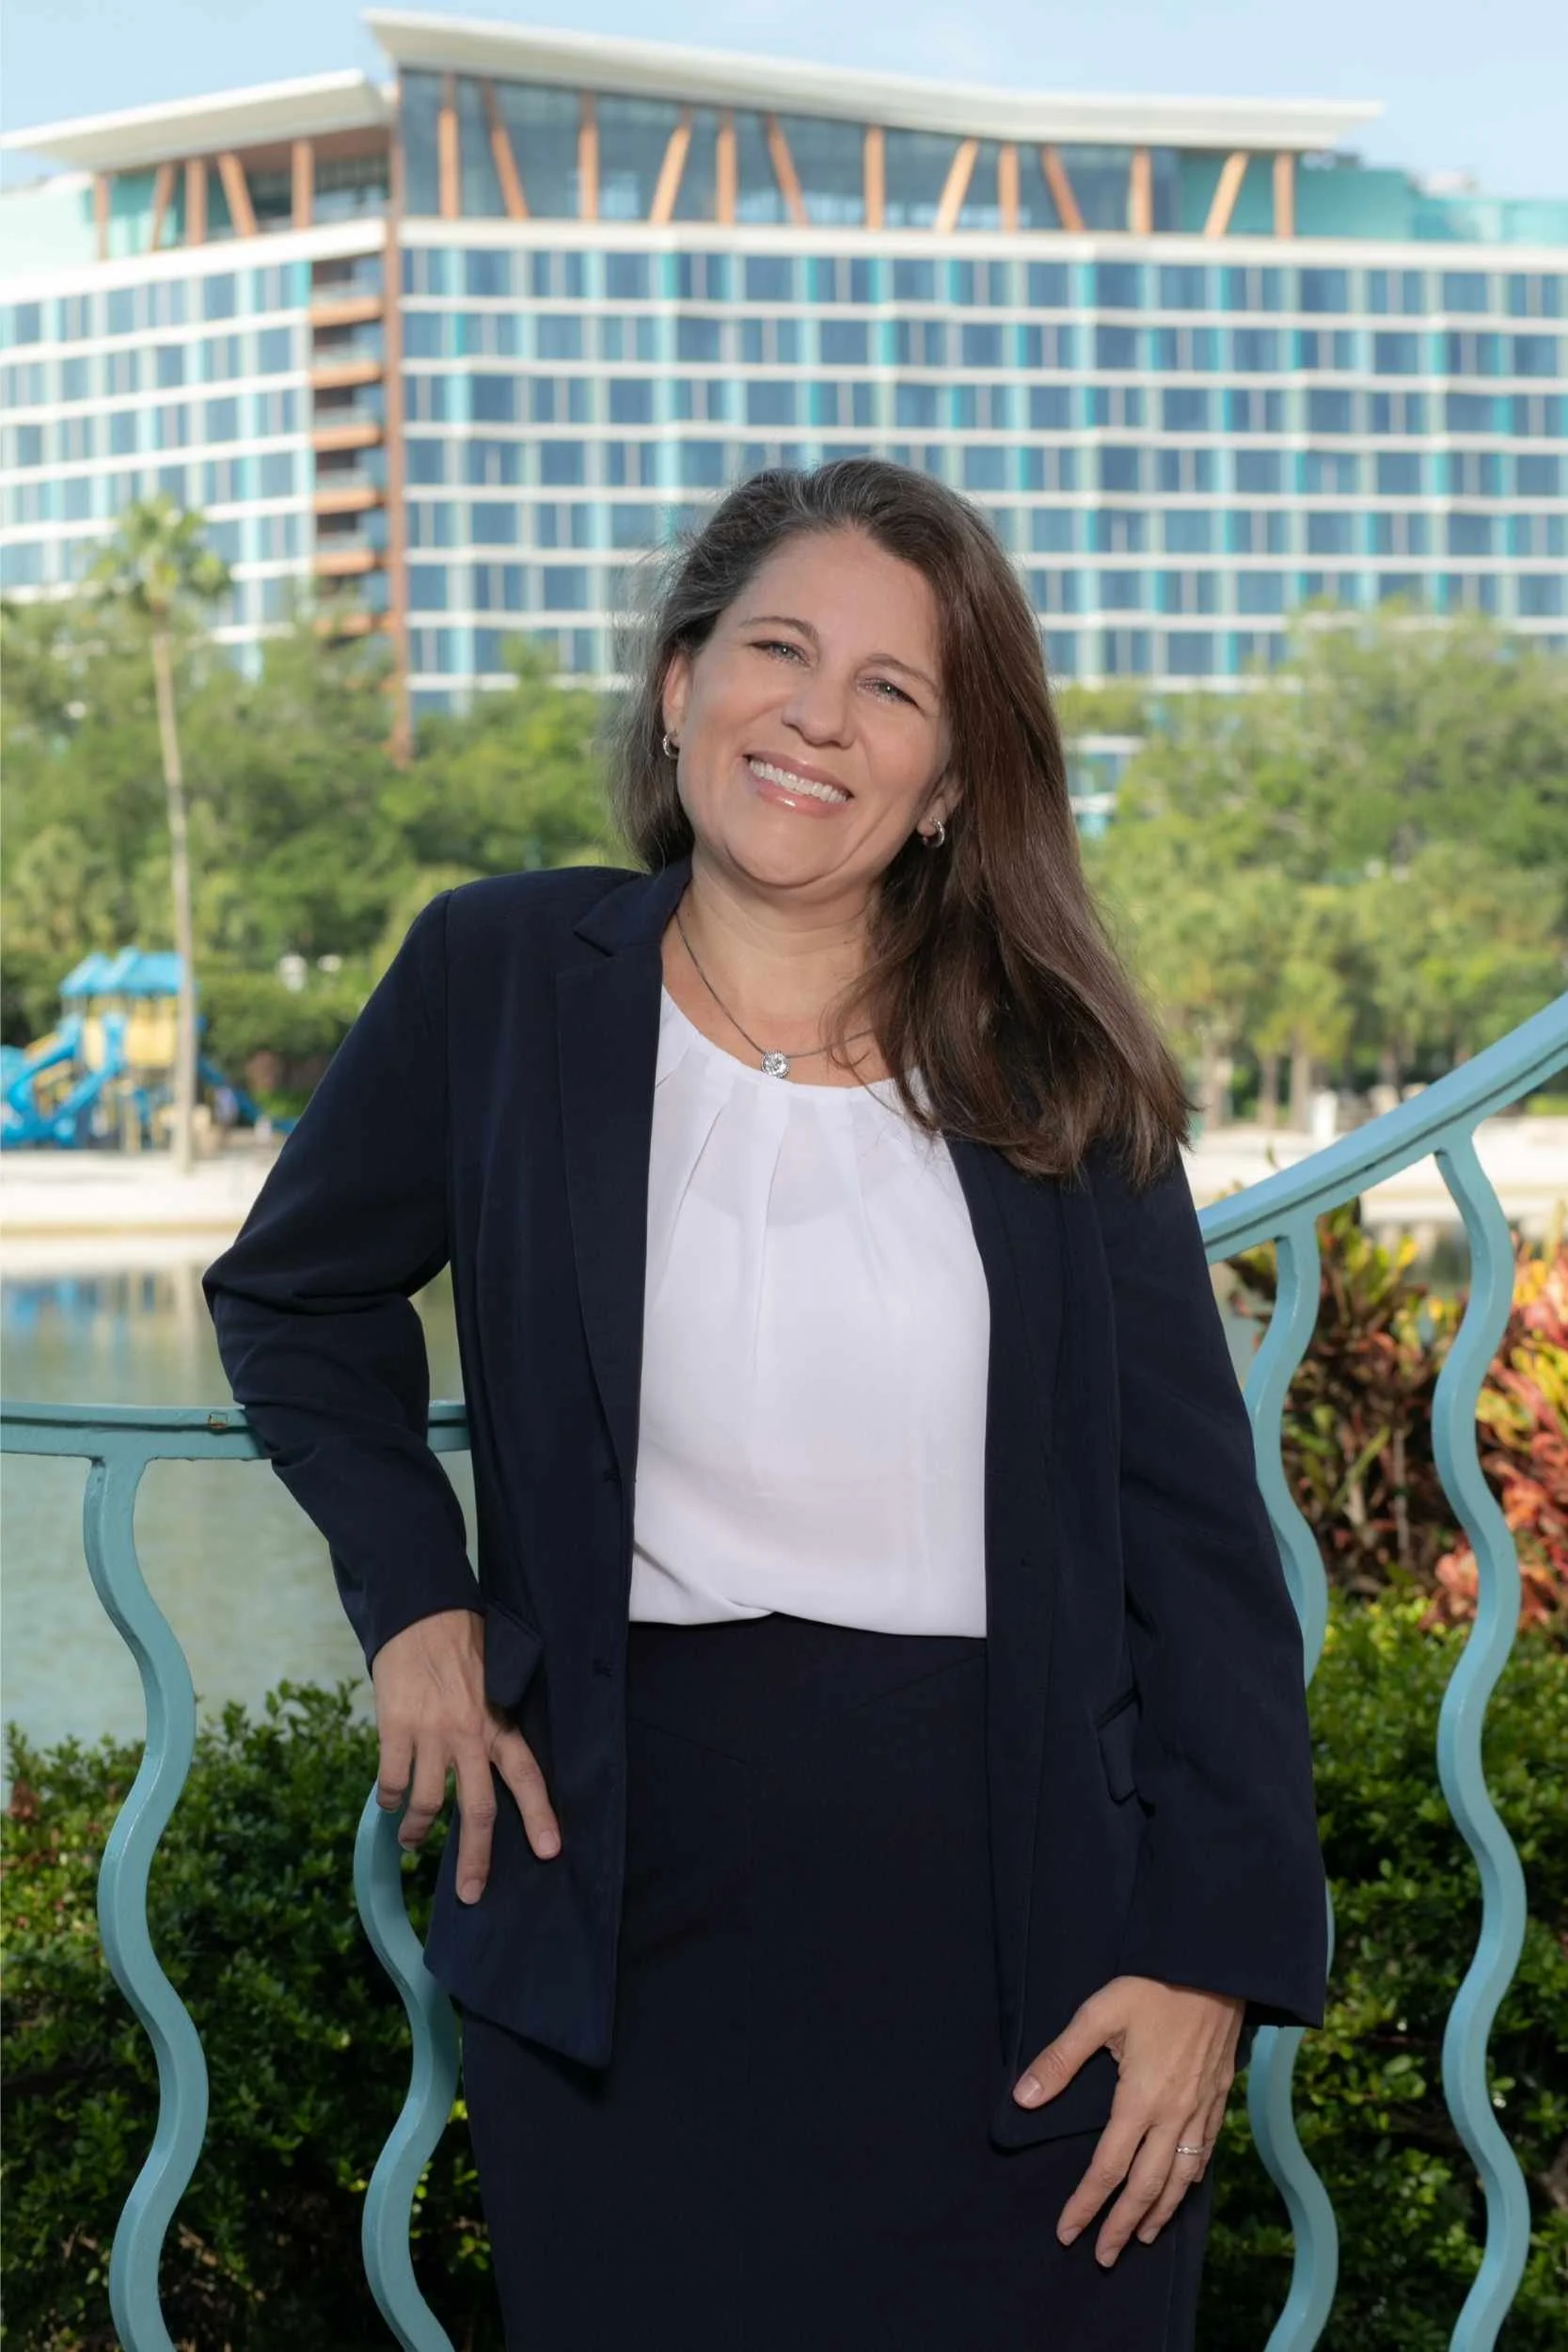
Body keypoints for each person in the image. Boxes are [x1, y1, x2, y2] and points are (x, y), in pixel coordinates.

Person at [202, 457, 1326, 2349]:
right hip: (620, 1927)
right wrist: (414, 1600)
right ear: (675, 685)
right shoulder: (497, 977)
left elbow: (1196, 1559)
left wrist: (1204, 1956)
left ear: (952, 782)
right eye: (775, 647)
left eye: (893, 689)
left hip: (1030, 1956)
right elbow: (295, 1296)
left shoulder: (1052, 1070)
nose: (818, 712)